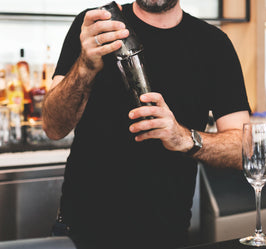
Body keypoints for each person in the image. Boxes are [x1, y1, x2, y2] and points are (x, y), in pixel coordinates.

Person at [42, 0, 251, 248]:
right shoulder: (98, 27)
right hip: (81, 233)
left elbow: (244, 149)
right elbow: (53, 127)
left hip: (165, 236)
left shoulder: (213, 44)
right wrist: (85, 66)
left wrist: (184, 138)